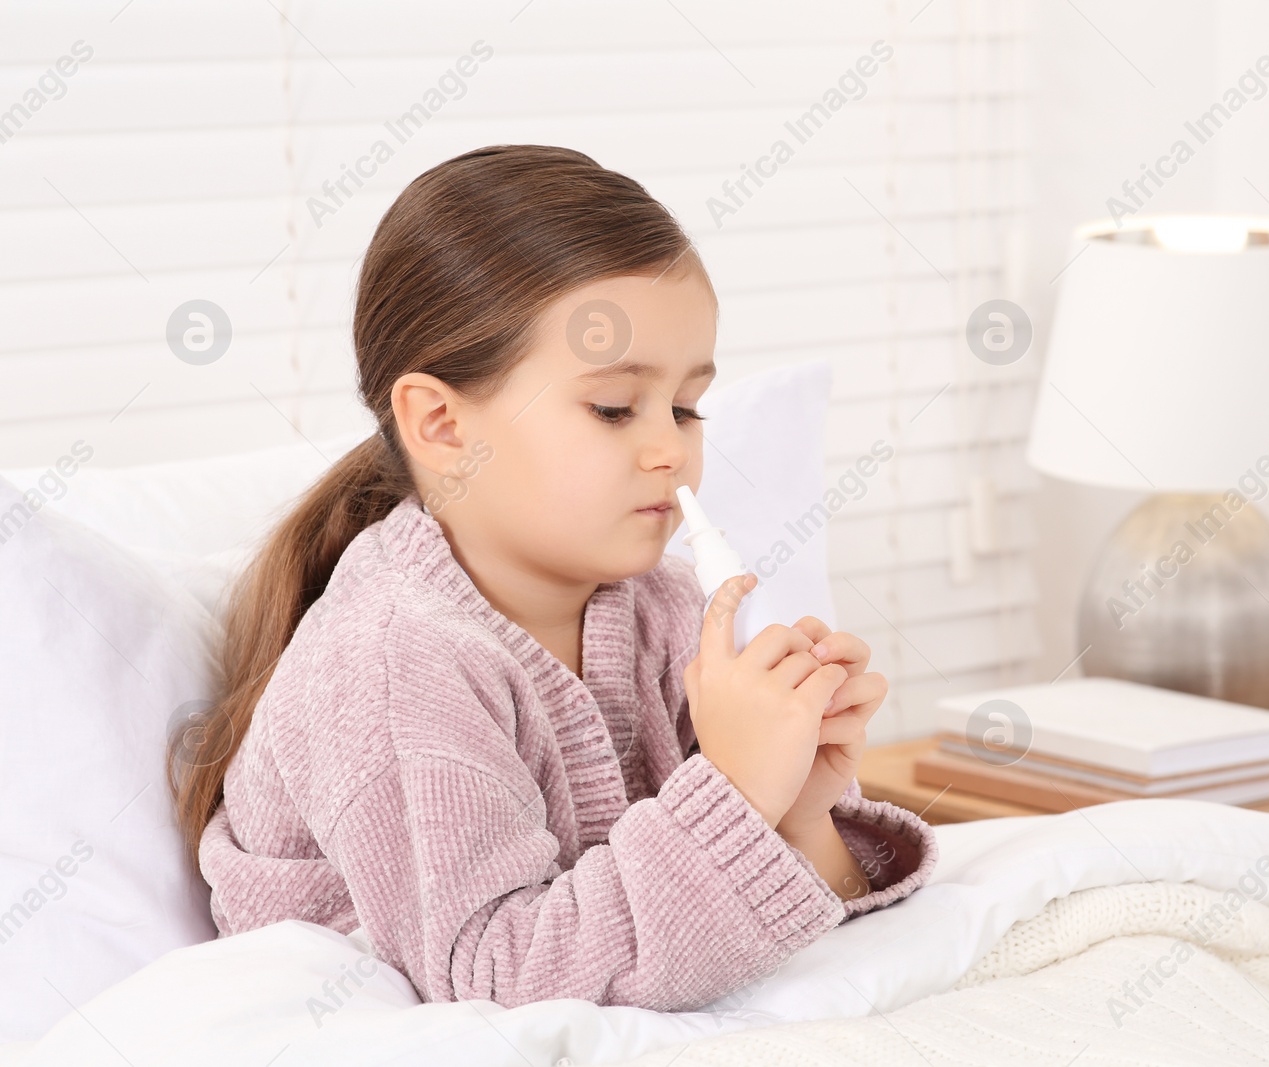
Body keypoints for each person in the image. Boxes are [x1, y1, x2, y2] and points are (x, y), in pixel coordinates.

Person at [166, 144, 938, 1013]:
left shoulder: (666, 608)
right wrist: (732, 791)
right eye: (614, 407)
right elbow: (501, 988)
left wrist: (796, 804)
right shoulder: (387, 663)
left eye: (687, 406)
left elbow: (794, 916)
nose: (669, 448)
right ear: (442, 424)